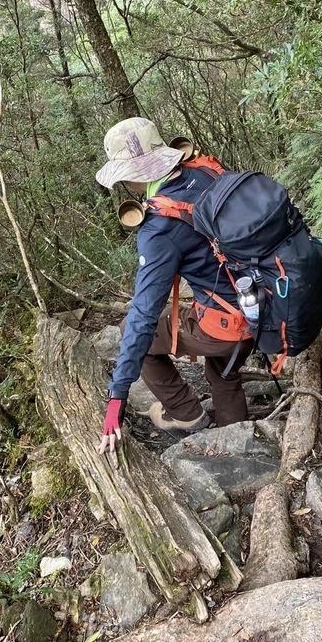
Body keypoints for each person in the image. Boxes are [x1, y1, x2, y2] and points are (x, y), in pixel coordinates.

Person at [96, 117, 255, 454]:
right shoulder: (206, 171)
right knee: (223, 365)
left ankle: (186, 414)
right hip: (267, 303)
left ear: (128, 174)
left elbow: (142, 314)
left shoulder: (158, 229)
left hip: (231, 327)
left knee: (129, 329)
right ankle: (238, 439)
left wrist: (117, 396)